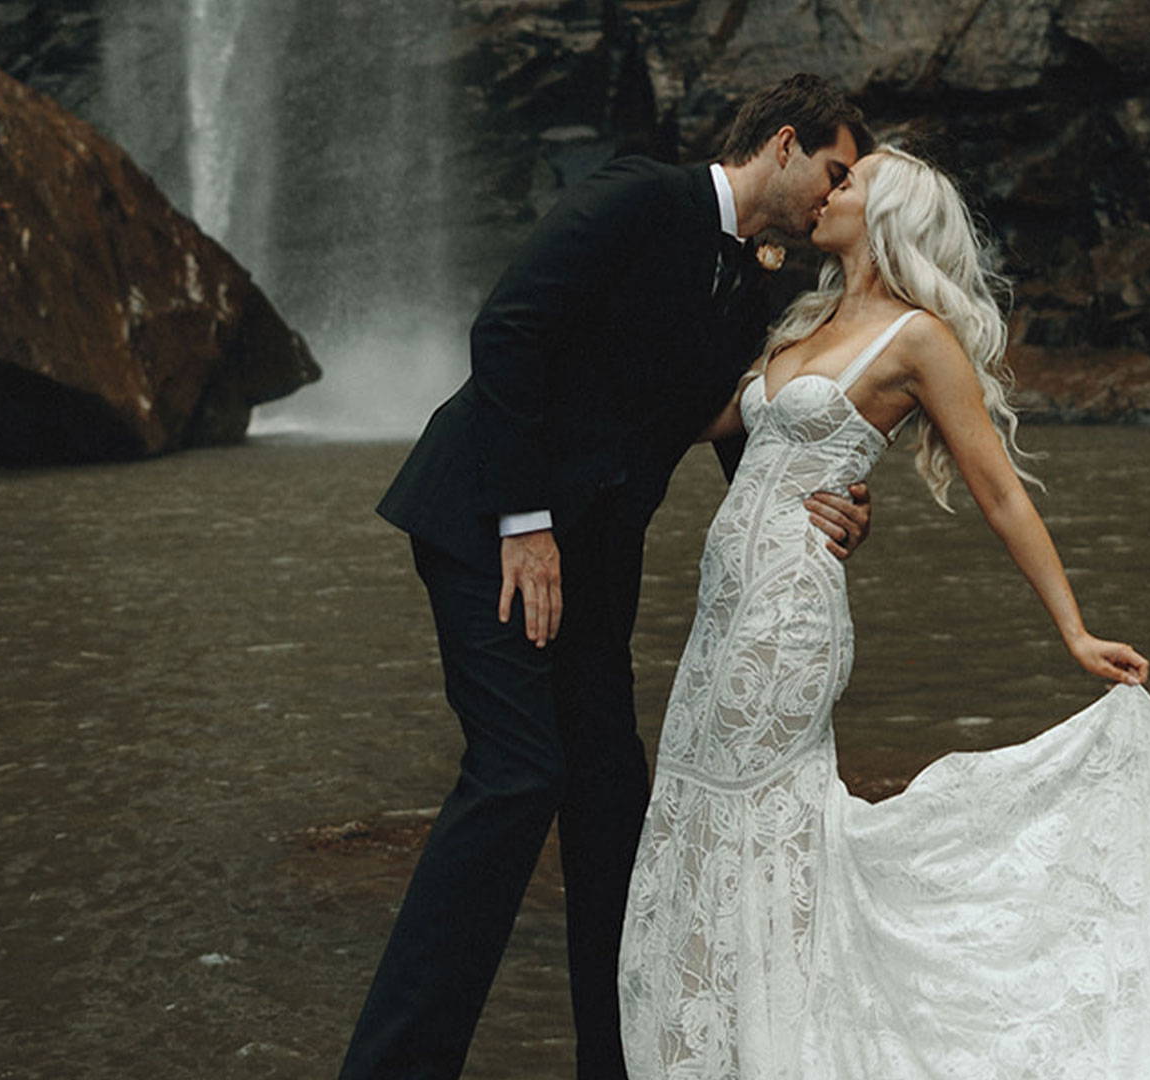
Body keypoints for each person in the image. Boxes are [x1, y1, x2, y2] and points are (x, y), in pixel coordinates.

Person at [617, 148, 1150, 1078]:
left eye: (848, 183)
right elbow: (696, 419)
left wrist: (1074, 628)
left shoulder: (918, 340)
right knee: (699, 812)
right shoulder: (805, 319)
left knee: (764, 828)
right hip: (722, 612)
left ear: (887, 212)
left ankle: (789, 1052)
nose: (828, 191)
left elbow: (1000, 491)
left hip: (789, 619)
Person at [343, 75, 875, 1080]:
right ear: (787, 144)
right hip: (485, 525)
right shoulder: (640, 199)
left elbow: (738, 428)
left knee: (610, 801)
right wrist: (525, 523)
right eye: (835, 172)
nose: (834, 199)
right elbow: (507, 331)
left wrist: (820, 499)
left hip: (593, 560)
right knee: (515, 775)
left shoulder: (753, 286)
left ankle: (617, 1064)